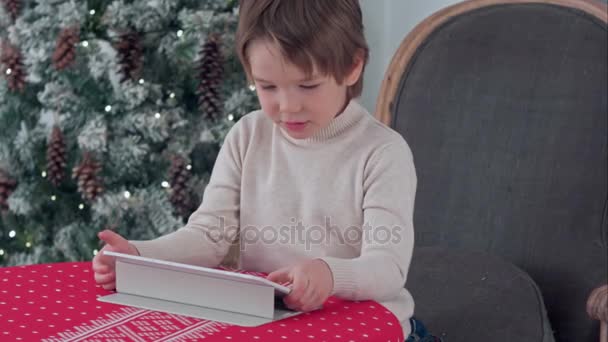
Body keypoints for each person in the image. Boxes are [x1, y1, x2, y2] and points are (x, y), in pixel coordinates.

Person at [93, 1, 439, 340]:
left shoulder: (382, 153)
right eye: (268, 87)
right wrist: (141, 255)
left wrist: (330, 274)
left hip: (365, 328)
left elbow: (388, 269)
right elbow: (209, 235)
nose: (288, 106)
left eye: (308, 85)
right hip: (270, 324)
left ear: (352, 66)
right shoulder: (248, 135)